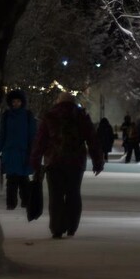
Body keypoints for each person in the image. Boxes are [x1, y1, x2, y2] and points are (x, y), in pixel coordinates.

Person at [29, 91, 105, 238]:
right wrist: (98, 161)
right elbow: (92, 140)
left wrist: (35, 160)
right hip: (76, 162)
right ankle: (71, 227)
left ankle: (57, 229)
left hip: (53, 161)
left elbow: (40, 141)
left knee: (55, 196)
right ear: (73, 102)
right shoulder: (81, 117)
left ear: (58, 101)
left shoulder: (50, 116)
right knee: (73, 194)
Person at [0, 89, 37, 210]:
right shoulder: (6, 116)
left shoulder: (28, 116)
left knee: (23, 180)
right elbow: (2, 134)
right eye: (14, 101)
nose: (16, 104)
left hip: (24, 153)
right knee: (12, 180)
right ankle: (11, 203)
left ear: (22, 102)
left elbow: (32, 135)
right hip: (10, 153)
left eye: (18, 101)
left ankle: (26, 201)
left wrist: (33, 151)